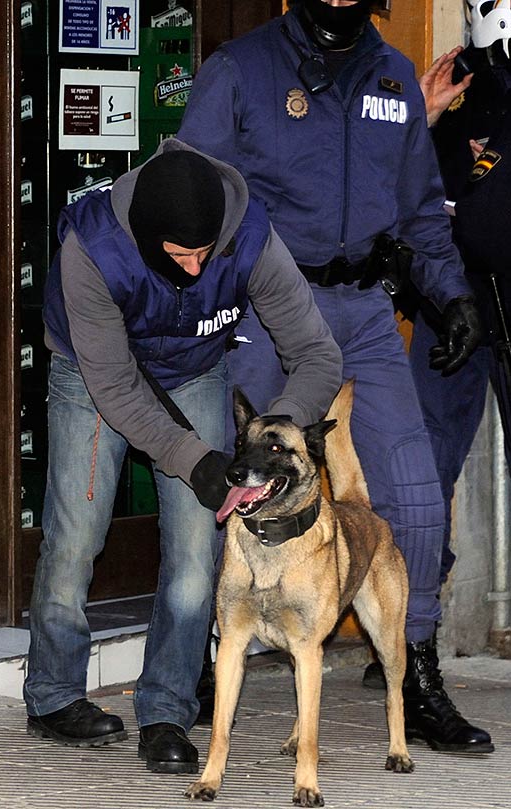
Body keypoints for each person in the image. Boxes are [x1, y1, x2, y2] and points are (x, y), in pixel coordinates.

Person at [177, 0, 493, 752]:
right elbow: (190, 194)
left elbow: (419, 213)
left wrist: (451, 296)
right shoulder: (240, 71)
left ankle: (411, 672)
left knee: (415, 495)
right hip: (271, 302)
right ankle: (193, 659)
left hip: (363, 313)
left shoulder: (391, 77)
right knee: (229, 483)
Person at [22, 139, 343, 774]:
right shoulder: (90, 248)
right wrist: (193, 459)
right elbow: (115, 389)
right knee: (76, 536)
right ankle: (54, 695)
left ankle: (167, 708)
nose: (196, 270)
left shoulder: (248, 234)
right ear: (144, 238)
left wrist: (276, 440)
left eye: (206, 254)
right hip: (91, 377)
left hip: (194, 372)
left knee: (198, 554)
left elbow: (316, 353)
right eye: (178, 255)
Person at [409, 1, 511, 597]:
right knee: (427, 460)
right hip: (448, 294)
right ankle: (417, 622)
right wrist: (417, 122)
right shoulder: (451, 74)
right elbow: (397, 179)